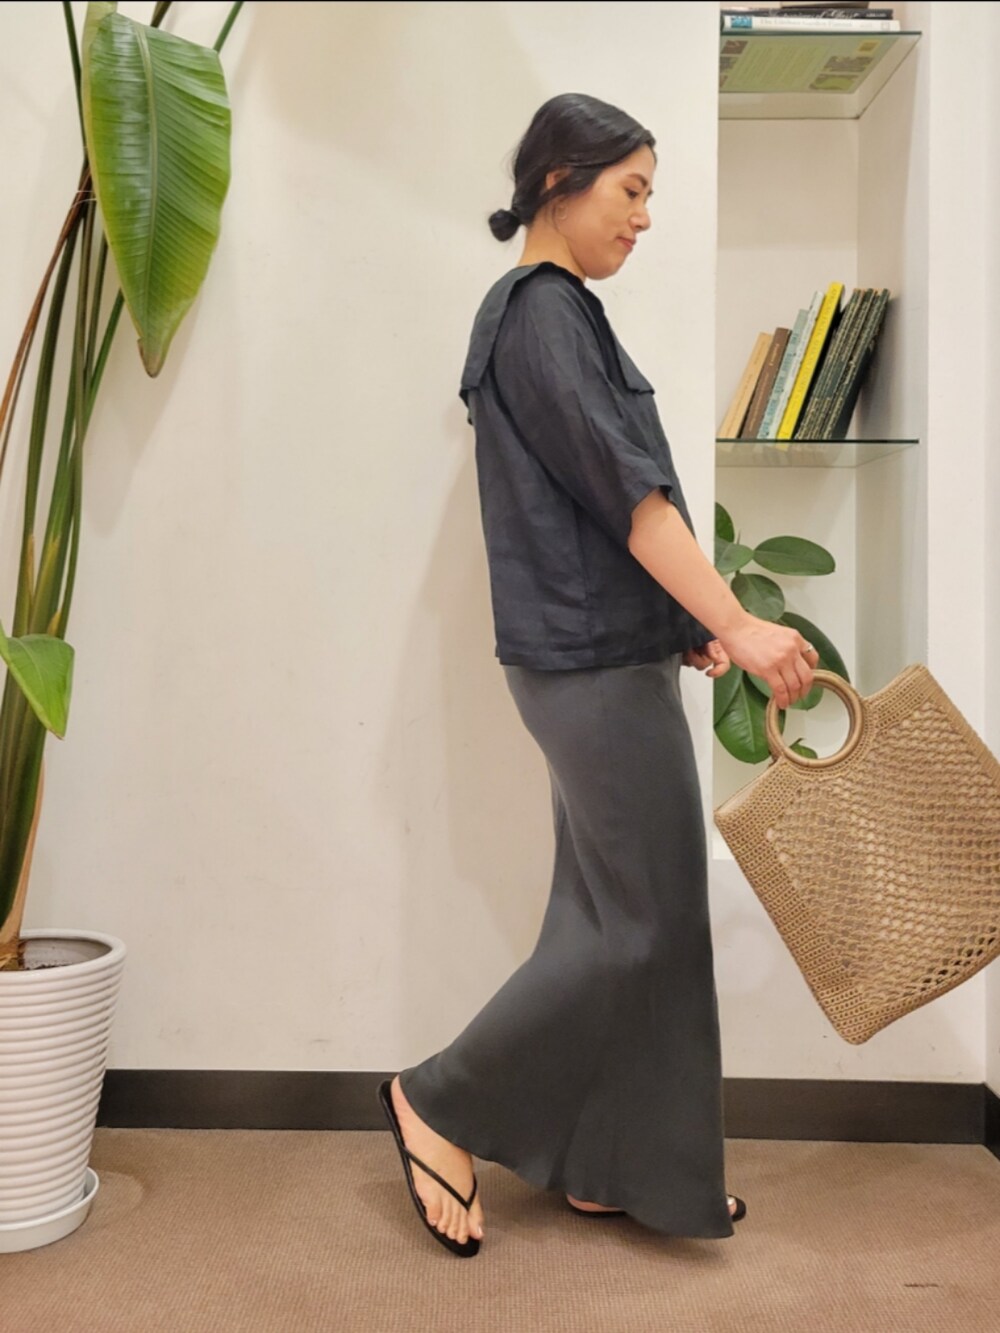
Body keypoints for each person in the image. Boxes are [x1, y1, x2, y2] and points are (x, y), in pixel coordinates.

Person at [378, 93, 818, 1259]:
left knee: (605, 915)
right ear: (556, 183)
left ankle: (612, 1164)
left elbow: (586, 507)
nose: (644, 216)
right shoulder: (540, 314)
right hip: (584, 668)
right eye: (630, 190)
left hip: (600, 656)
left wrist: (679, 625)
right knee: (646, 924)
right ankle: (437, 1098)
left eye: (649, 194)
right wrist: (737, 619)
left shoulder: (551, 314)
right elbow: (631, 500)